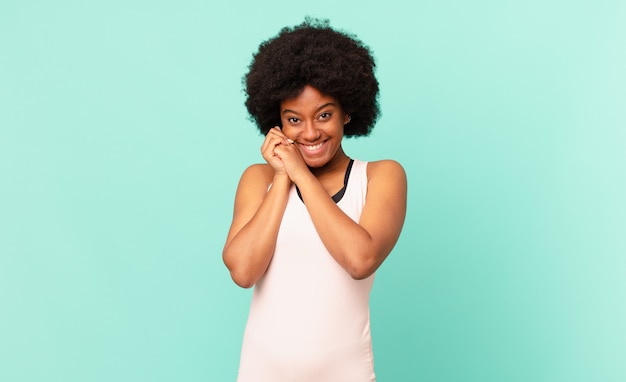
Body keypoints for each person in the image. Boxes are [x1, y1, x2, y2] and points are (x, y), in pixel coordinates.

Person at [222, 17, 407, 382]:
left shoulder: (380, 176)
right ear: (277, 122)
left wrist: (300, 174)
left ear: (347, 113)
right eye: (294, 120)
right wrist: (281, 175)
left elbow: (359, 259)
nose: (310, 133)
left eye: (324, 115)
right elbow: (243, 271)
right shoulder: (258, 179)